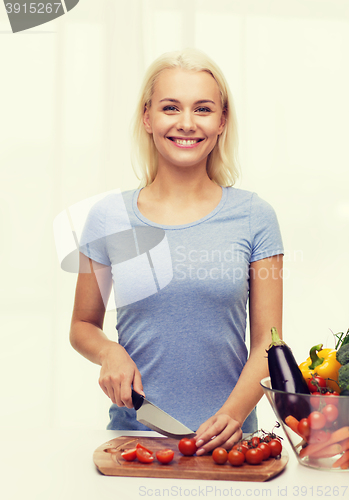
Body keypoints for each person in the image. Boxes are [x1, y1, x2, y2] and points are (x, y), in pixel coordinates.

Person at [69, 48, 283, 456]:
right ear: (148, 117)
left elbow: (269, 345)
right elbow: (82, 325)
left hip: (232, 444)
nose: (186, 123)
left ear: (222, 121)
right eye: (171, 107)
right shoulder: (108, 217)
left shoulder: (256, 217)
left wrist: (233, 415)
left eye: (202, 109)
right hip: (136, 439)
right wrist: (109, 352)